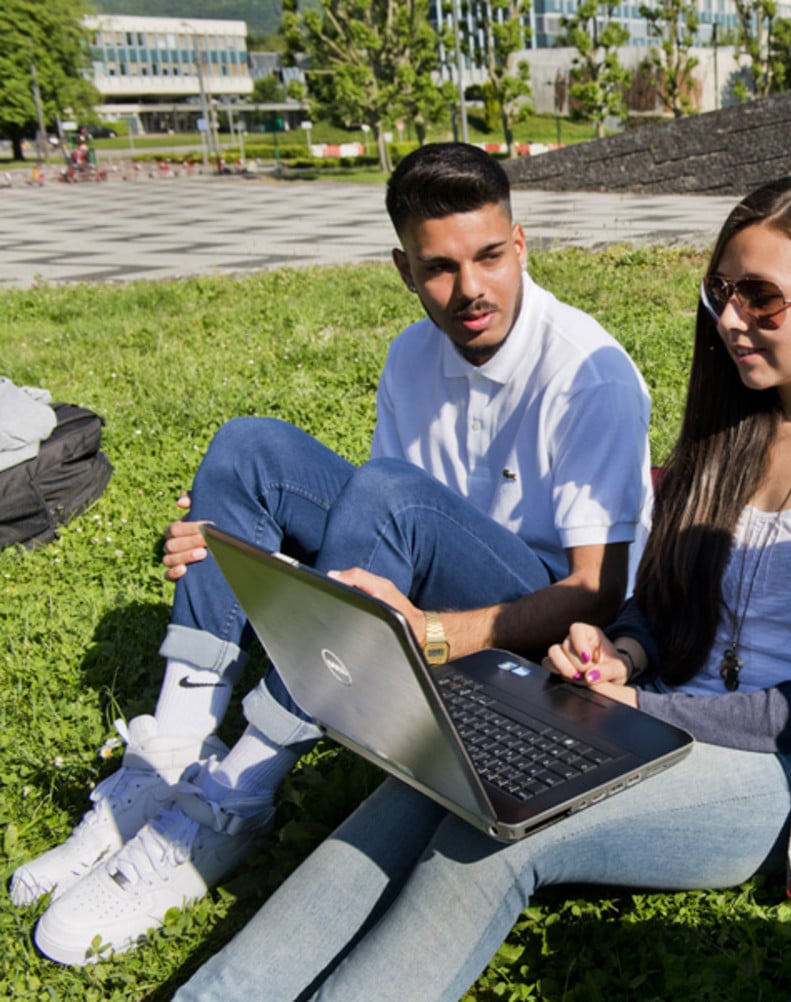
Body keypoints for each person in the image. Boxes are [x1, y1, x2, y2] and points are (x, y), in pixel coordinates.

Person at [173, 173, 791, 1001]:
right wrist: (622, 650)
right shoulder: (732, 419)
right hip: (651, 711)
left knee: (506, 834)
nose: (729, 318)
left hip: (776, 770)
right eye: (720, 290)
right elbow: (663, 600)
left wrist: (648, 713)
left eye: (762, 297)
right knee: (433, 778)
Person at [13, 142, 653, 967]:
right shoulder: (408, 357)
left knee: (389, 489)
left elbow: (598, 593)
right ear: (402, 269)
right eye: (439, 268)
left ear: (521, 243)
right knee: (249, 452)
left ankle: (234, 797)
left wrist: (423, 636)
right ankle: (166, 759)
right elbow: (375, 535)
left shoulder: (586, 373)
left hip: (534, 634)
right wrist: (246, 543)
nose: (470, 291)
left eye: (490, 257)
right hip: (417, 582)